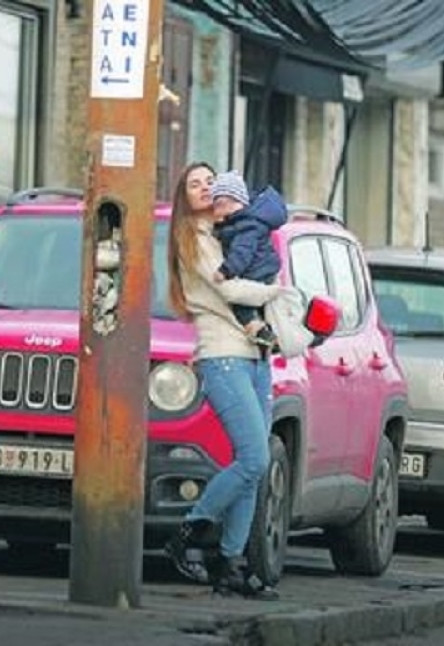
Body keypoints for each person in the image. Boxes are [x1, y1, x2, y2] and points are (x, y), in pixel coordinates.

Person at [164, 161, 283, 600]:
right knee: (253, 459)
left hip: (255, 358)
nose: (204, 188)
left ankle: (232, 566)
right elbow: (232, 291)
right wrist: (277, 291)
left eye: (209, 181)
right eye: (194, 183)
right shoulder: (192, 240)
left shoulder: (229, 231)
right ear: (184, 197)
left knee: (254, 469)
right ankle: (190, 532)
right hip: (224, 357)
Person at [208, 170, 287, 349]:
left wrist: (225, 271)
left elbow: (242, 253)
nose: (216, 210)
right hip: (261, 270)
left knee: (241, 305)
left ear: (237, 202)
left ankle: (258, 330)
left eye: (220, 204)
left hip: (256, 273)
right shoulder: (243, 223)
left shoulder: (246, 226)